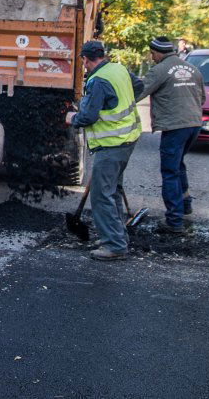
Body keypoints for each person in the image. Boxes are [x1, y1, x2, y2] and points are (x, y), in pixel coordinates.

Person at [65, 40, 144, 261]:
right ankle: (118, 236)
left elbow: (88, 116)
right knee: (113, 191)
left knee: (101, 195)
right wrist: (116, 103)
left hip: (112, 144)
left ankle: (115, 245)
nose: (85, 65)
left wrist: (72, 118)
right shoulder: (118, 68)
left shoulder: (97, 80)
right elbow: (138, 87)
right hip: (128, 139)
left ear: (86, 59)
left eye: (84, 61)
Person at [135, 36, 205, 234]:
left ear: (157, 52)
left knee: (169, 171)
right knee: (178, 164)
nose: (151, 57)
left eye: (152, 54)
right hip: (194, 125)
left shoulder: (159, 70)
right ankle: (185, 205)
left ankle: (174, 221)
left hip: (175, 127)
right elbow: (203, 98)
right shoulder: (193, 69)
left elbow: (138, 93)